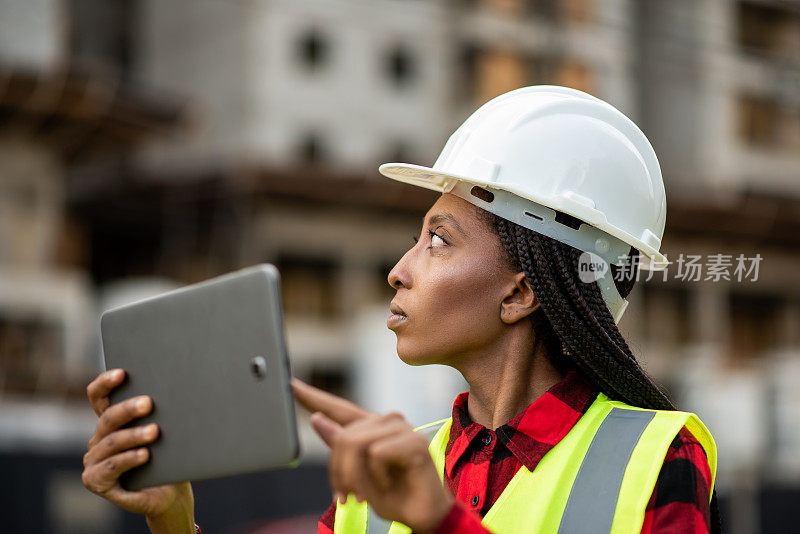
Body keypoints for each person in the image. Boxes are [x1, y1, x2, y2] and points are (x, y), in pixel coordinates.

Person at [82, 86, 718, 534]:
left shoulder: (656, 457)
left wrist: (440, 524)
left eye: (438, 240)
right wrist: (171, 518)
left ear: (521, 292)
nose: (399, 269)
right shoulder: (389, 474)